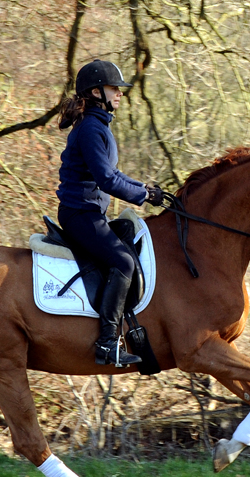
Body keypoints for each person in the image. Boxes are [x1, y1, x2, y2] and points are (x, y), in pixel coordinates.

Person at [56, 59, 164, 367]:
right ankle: (106, 344)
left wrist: (146, 189)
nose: (119, 94)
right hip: (81, 215)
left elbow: (113, 173)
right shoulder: (91, 128)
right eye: (114, 89)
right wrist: (142, 194)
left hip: (90, 214)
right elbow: (106, 179)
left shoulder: (96, 125)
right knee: (124, 262)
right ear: (95, 92)